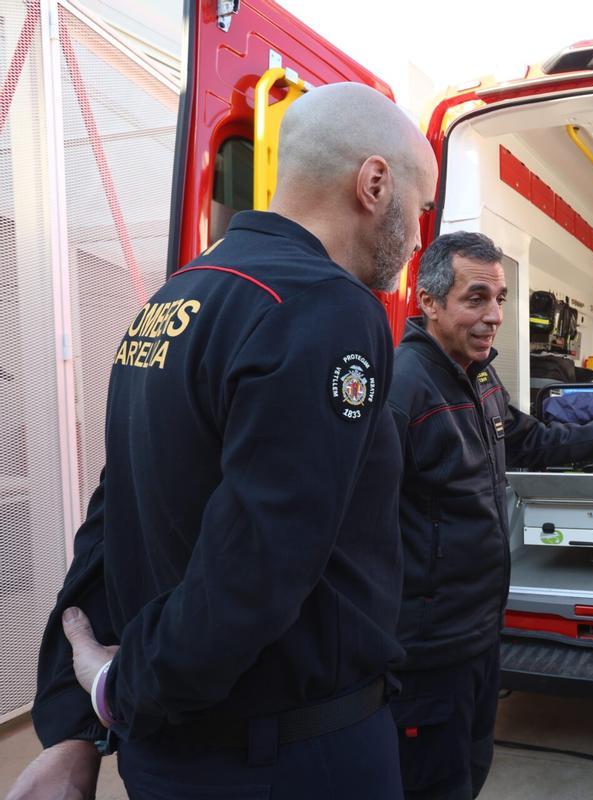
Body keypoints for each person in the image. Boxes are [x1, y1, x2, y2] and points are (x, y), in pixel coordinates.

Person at [8, 83, 438, 800]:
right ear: (374, 183)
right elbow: (259, 560)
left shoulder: (173, 298)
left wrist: (77, 722)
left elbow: (116, 514)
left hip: (176, 757)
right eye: (420, 207)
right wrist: (118, 691)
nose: (421, 236)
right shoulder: (327, 307)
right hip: (290, 758)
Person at [387, 231, 593, 800]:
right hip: (425, 651)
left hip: (478, 633)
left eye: (499, 298)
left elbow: (533, 440)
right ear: (428, 301)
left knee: (469, 772)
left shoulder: (479, 377)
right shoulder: (403, 388)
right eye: (476, 298)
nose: (494, 315)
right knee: (430, 783)